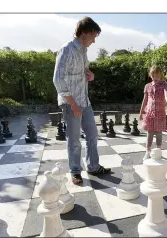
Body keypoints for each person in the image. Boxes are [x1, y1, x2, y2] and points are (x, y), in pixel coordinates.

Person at [53, 16, 110, 185]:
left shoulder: (83, 50)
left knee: (92, 134)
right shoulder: (66, 50)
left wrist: (90, 74)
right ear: (84, 33)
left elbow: (83, 71)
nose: (93, 41)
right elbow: (58, 80)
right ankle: (75, 171)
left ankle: (93, 166)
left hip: (85, 102)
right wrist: (73, 103)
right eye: (93, 36)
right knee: (74, 139)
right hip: (72, 103)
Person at [139, 66, 167, 160]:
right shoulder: (147, 86)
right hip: (149, 113)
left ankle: (158, 151)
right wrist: (141, 112)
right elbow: (145, 100)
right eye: (153, 74)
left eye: (157, 74)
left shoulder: (164, 84)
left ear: (160, 74)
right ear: (150, 75)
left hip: (160, 113)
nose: (155, 76)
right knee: (149, 133)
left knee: (158, 133)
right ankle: (148, 151)